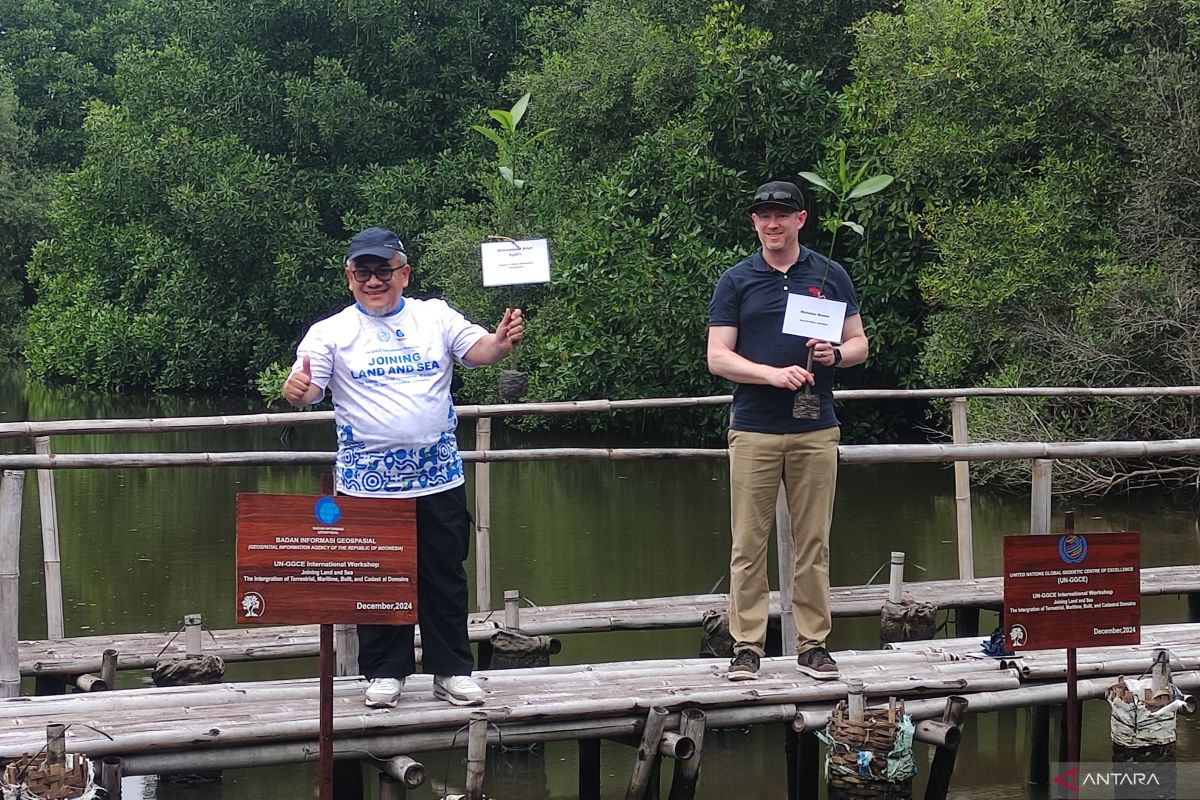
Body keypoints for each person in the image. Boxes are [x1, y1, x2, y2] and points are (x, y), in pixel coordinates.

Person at [282, 226, 523, 708]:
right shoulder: (329, 332)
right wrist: (298, 392)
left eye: (383, 270)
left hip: (438, 477)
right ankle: (385, 673)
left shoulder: (435, 316)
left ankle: (451, 670)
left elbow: (478, 351)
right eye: (363, 272)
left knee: (444, 576)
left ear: (404, 273)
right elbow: (309, 386)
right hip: (368, 484)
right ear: (349, 278)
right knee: (378, 578)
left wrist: (499, 343)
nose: (374, 280)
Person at [707, 181, 869, 681]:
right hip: (754, 426)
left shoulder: (828, 273)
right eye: (763, 216)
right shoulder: (736, 280)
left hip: (815, 427)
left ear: (801, 219)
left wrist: (834, 355)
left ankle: (813, 644)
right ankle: (747, 647)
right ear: (754, 222)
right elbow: (717, 357)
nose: (771, 224)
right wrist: (772, 375)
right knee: (747, 544)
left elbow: (860, 343)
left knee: (813, 543)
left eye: (782, 215)